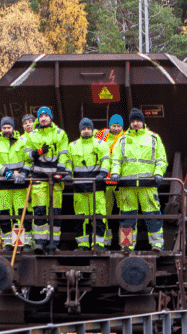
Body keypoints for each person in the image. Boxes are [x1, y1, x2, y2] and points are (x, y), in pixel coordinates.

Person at [109, 108, 167, 252]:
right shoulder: (122, 140)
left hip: (148, 184)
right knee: (127, 218)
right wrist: (115, 173)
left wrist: (159, 173)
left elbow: (161, 159)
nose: (135, 123)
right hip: (127, 186)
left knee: (152, 215)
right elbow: (116, 160)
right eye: (133, 121)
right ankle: (126, 246)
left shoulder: (154, 138)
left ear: (143, 122)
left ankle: (157, 245)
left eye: (138, 121)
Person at [22, 106, 69, 252]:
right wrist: (38, 152)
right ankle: (40, 244)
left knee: (55, 213)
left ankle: (53, 245)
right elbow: (26, 156)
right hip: (38, 180)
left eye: (46, 116)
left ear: (51, 117)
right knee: (40, 212)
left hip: (55, 180)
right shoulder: (32, 135)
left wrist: (61, 170)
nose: (43, 118)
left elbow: (64, 153)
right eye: (40, 116)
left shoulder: (60, 134)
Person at [66, 118, 112, 249]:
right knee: (81, 218)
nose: (86, 131)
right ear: (80, 130)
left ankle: (98, 244)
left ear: (92, 129)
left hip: (96, 187)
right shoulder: (72, 146)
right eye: (83, 128)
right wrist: (68, 173)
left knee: (99, 217)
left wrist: (103, 174)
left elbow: (106, 160)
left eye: (88, 128)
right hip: (79, 188)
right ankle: (83, 245)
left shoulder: (101, 144)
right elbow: (68, 162)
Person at [0, 116, 29, 249]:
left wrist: (23, 174)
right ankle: (9, 243)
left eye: (8, 127)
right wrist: (9, 173)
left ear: (13, 127)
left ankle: (24, 242)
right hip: (2, 186)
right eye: (4, 127)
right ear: (1, 128)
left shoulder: (23, 142)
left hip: (20, 185)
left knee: (21, 213)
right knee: (4, 214)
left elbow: (28, 160)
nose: (6, 130)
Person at [94, 114, 126, 247]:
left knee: (125, 213)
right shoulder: (102, 135)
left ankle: (125, 242)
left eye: (119, 126)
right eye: (114, 125)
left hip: (121, 182)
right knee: (105, 213)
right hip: (106, 182)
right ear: (109, 126)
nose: (116, 128)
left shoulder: (127, 137)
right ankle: (106, 242)